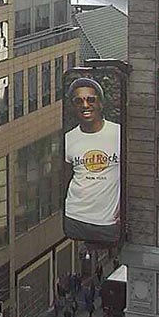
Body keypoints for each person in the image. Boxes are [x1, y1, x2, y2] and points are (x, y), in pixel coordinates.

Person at [64, 77, 122, 244]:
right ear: (73, 107)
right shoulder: (68, 139)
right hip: (74, 218)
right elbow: (66, 178)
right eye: (78, 101)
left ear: (100, 103)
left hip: (108, 222)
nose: (85, 105)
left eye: (91, 99)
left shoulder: (119, 134)